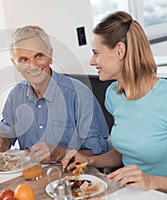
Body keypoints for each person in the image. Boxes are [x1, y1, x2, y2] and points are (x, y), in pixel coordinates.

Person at [62, 11, 167, 192]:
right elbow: (125, 151)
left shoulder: (163, 97)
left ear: (120, 51)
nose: (92, 61)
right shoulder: (113, 96)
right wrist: (90, 160)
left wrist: (151, 181)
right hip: (127, 193)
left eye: (96, 53)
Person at [0, 25, 110, 163]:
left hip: (73, 178)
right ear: (15, 64)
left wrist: (60, 153)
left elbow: (98, 152)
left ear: (50, 56)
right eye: (24, 60)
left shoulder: (79, 94)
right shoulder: (15, 95)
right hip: (31, 176)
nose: (33, 65)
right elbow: (7, 138)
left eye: (39, 56)